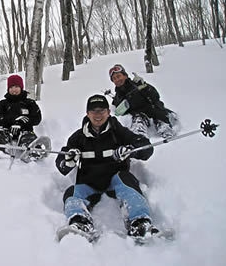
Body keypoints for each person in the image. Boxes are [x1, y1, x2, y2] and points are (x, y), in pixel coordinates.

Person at [55, 94, 158, 239]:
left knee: (128, 182)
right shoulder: (78, 137)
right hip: (89, 183)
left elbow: (147, 149)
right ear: (87, 114)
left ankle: (139, 223)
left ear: (108, 112)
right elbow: (61, 164)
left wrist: (130, 151)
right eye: (94, 111)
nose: (98, 115)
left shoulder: (118, 131)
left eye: (102, 111)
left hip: (115, 180)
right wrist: (68, 161)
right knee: (71, 193)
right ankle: (80, 223)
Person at [109, 64, 177, 138]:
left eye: (118, 76)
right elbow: (116, 112)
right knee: (137, 119)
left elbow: (155, 97)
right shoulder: (117, 97)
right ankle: (139, 136)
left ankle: (165, 128)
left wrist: (145, 87)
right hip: (139, 117)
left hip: (154, 111)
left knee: (156, 109)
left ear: (125, 76)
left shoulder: (137, 84)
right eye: (114, 78)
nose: (117, 80)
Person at [0, 74, 42, 152]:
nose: (14, 89)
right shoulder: (3, 103)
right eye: (11, 87)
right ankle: (0, 152)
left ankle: (32, 152)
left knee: (29, 138)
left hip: (25, 131)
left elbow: (37, 118)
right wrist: (12, 120)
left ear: (21, 88)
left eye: (16, 87)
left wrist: (24, 121)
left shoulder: (29, 103)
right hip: (7, 131)